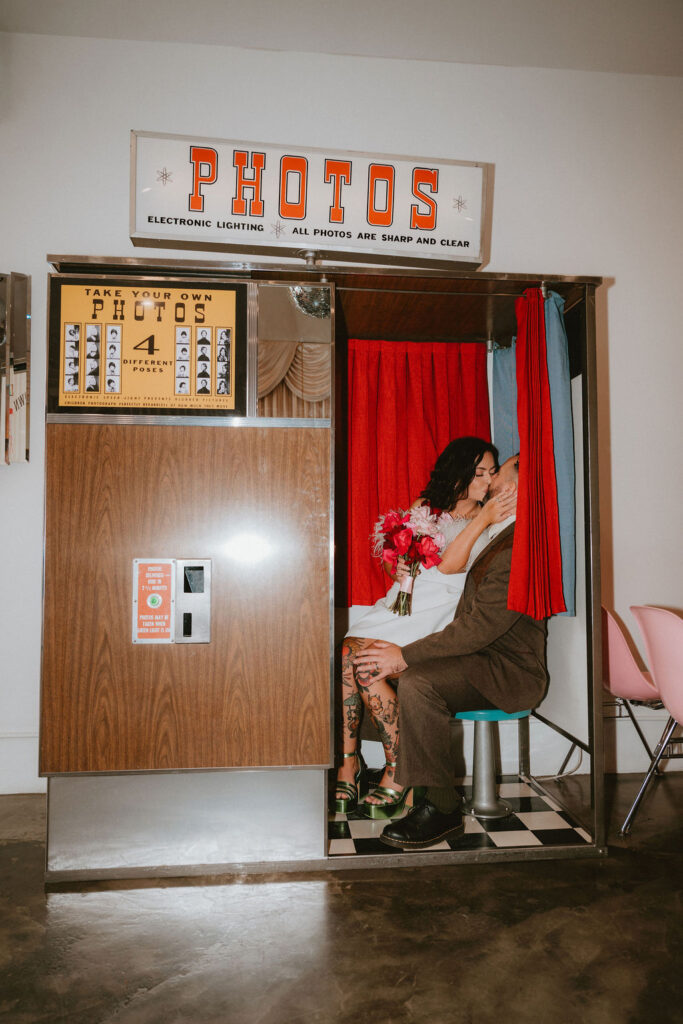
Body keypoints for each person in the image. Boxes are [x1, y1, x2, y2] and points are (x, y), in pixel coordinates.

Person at [353, 454, 548, 850]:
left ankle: (438, 809)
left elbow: (479, 629)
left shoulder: (518, 545)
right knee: (407, 676)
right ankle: (416, 790)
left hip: (509, 668)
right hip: (482, 657)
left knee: (419, 682)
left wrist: (403, 654)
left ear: (516, 486)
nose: (491, 479)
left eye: (501, 471)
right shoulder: (498, 531)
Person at [333, 437, 516, 819]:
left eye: (492, 472)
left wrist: (482, 518)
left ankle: (398, 770)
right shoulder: (425, 508)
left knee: (363, 663)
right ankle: (349, 763)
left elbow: (449, 566)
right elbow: (396, 558)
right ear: (458, 475)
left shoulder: (490, 518)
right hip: (406, 601)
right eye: (479, 473)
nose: (487, 481)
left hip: (441, 606)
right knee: (348, 653)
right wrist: (396, 567)